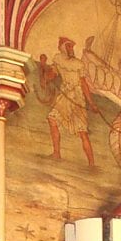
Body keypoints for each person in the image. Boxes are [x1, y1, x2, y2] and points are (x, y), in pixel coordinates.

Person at [42, 36, 95, 166]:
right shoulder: (58, 59)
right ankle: (56, 153)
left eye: (72, 47)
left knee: (82, 131)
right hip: (64, 95)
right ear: (62, 48)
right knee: (52, 119)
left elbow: (83, 84)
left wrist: (92, 103)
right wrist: (45, 74)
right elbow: (52, 74)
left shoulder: (78, 64)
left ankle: (92, 163)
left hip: (76, 97)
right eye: (69, 46)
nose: (71, 49)